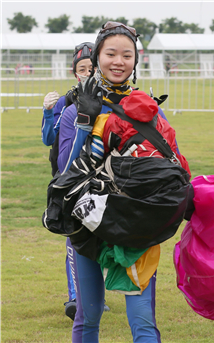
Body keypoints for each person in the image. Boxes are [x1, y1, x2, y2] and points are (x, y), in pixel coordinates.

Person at [57, 21, 184, 342]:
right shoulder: (77, 109)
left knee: (143, 320)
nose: (118, 61)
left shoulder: (150, 110)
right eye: (110, 53)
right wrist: (85, 124)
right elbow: (67, 169)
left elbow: (174, 167)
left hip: (137, 222)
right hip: (88, 222)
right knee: (88, 317)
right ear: (97, 57)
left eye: (126, 55)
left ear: (135, 61)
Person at [40, 42, 113, 320]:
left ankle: (95, 295)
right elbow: (49, 139)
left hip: (100, 178)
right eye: (81, 70)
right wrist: (48, 112)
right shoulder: (66, 102)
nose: (86, 73)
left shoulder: (109, 100)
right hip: (66, 178)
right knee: (75, 238)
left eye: (90, 68)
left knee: (100, 237)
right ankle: (76, 297)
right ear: (74, 73)